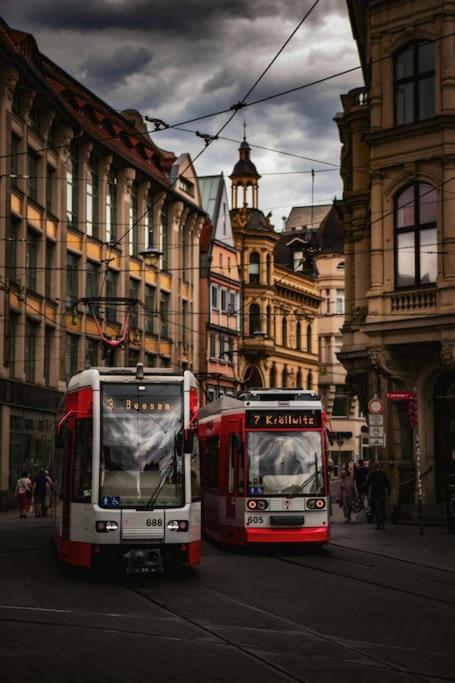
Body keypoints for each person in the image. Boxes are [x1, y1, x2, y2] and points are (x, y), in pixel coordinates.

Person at [367, 462, 390, 530]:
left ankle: (379, 524)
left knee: (377, 509)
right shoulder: (383, 474)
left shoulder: (372, 474)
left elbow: (368, 484)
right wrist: (389, 492)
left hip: (375, 494)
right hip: (382, 493)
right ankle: (382, 523)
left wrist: (367, 493)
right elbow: (387, 484)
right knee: (382, 508)